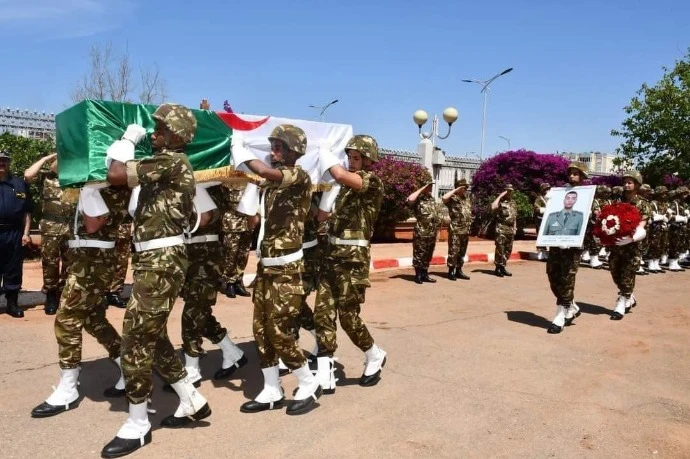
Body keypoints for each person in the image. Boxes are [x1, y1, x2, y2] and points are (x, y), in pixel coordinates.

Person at [102, 103, 210, 458]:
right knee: (154, 333)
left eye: (160, 128)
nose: (154, 132)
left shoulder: (171, 161)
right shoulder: (164, 164)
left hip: (161, 259)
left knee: (134, 338)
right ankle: (191, 398)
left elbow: (117, 172)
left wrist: (126, 140)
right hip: (154, 257)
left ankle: (137, 423)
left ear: (176, 135)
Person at [234, 124, 322, 416]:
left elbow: (268, 173)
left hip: (286, 268)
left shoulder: (298, 175)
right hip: (266, 268)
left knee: (280, 330)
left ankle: (307, 382)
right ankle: (272, 387)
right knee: (260, 331)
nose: (273, 152)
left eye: (279, 147)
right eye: (272, 146)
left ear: (294, 150)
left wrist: (240, 151)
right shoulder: (272, 185)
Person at [30, 183, 131, 418]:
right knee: (94, 320)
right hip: (88, 259)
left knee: (66, 320)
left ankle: (68, 389)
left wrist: (85, 190)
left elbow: (93, 224)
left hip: (91, 262)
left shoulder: (101, 187)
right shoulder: (103, 186)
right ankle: (128, 369)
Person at [313, 134, 387, 393]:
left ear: (368, 160)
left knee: (348, 318)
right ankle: (324, 373)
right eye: (349, 157)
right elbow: (323, 216)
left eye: (356, 158)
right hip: (332, 257)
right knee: (322, 315)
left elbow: (342, 175)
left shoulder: (372, 182)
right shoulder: (343, 188)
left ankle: (374, 353)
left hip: (353, 262)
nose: (351, 162)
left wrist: (324, 154)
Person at [173, 182, 247, 388]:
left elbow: (204, 217)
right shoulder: (197, 185)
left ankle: (192, 368)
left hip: (205, 256)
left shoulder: (205, 187)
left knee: (192, 313)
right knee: (199, 312)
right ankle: (233, 352)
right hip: (190, 254)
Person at [24, 153, 76, 315]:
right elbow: (27, 175)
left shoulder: (76, 179)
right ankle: (51, 294)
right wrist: (45, 159)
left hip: (71, 225)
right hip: (50, 226)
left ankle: (63, 293)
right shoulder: (46, 178)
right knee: (49, 261)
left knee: (70, 262)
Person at [545, 161, 589, 334]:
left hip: (573, 247)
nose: (571, 176)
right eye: (570, 173)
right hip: (557, 244)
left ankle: (560, 316)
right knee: (552, 276)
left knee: (567, 280)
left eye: (576, 173)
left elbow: (592, 221)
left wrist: (590, 215)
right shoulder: (560, 193)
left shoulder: (588, 195)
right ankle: (571, 307)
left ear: (583, 176)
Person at [608, 170, 649, 320]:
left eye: (630, 182)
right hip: (617, 244)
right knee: (614, 270)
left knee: (627, 274)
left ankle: (622, 302)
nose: (626, 185)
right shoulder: (617, 201)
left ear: (637, 185)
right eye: (625, 182)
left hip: (632, 245)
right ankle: (629, 296)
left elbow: (642, 225)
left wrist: (631, 238)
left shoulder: (643, 204)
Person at [0, 150, 33, 318]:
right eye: (0, 160)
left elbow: (27, 212)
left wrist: (26, 233)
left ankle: (12, 304)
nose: (2, 163)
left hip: (14, 232)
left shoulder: (19, 184)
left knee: (13, 268)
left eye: (5, 160)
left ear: (9, 163)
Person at [220, 185, 252, 298]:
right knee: (231, 253)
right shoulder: (228, 179)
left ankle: (238, 280)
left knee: (243, 253)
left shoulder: (250, 178)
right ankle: (229, 282)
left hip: (248, 221)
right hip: (232, 221)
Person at [407, 181, 441, 284]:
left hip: (432, 232)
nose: (431, 187)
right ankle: (418, 275)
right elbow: (410, 199)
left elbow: (436, 215)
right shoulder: (418, 199)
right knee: (419, 254)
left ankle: (425, 274)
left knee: (428, 254)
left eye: (431, 186)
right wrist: (421, 189)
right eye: (429, 185)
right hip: (421, 232)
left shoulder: (432, 199)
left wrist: (437, 231)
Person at [443, 178, 473, 280]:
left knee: (462, 252)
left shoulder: (467, 199)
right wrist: (456, 190)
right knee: (453, 251)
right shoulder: (452, 198)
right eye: (462, 187)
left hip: (465, 230)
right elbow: (444, 198)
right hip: (455, 229)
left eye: (465, 187)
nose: (465, 189)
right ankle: (451, 271)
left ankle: (459, 270)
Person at [105, 216, 132, 308]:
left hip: (124, 226)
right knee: (103, 259)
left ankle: (114, 292)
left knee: (121, 260)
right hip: (106, 225)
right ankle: (102, 292)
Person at [491, 184, 517, 277]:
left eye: (511, 191)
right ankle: (497, 268)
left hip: (510, 230)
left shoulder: (513, 202)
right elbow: (493, 207)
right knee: (500, 249)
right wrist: (500, 196)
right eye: (507, 190)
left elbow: (514, 217)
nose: (509, 192)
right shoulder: (499, 202)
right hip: (501, 229)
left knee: (508, 250)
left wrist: (515, 227)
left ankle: (503, 267)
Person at [646, 186, 669, 274]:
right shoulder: (653, 203)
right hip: (655, 228)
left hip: (663, 228)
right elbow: (651, 216)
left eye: (665, 193)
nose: (664, 195)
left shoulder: (664, 204)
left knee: (661, 245)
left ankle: (656, 262)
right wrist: (660, 217)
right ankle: (651, 263)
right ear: (658, 193)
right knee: (653, 245)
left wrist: (666, 217)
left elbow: (668, 215)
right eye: (663, 193)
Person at [533, 183, 551, 261]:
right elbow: (536, 208)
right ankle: (540, 253)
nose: (547, 190)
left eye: (548, 188)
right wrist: (544, 210)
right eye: (546, 189)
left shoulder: (551, 198)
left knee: (547, 236)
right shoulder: (539, 199)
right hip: (540, 220)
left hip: (549, 220)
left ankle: (546, 252)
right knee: (540, 236)